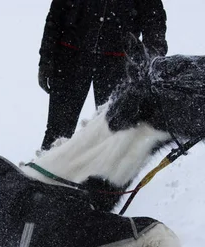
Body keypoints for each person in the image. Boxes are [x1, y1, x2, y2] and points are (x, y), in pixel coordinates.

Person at [38, 0, 168, 150]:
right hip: (71, 58)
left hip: (118, 62)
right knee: (58, 131)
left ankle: (101, 173)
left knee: (112, 132)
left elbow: (154, 20)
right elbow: (56, 15)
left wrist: (151, 65)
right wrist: (46, 59)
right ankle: (42, 171)